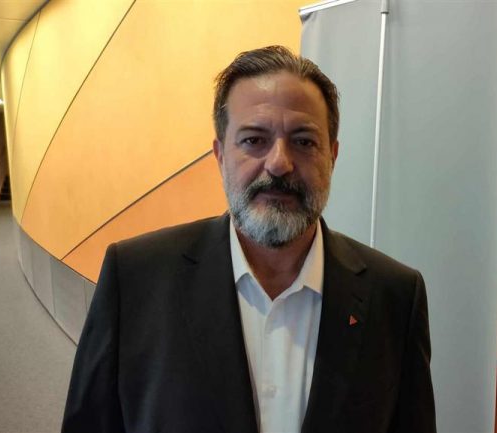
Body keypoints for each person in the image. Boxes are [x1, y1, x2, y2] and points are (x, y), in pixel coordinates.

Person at [62, 46, 435, 433]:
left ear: (332, 156)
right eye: (254, 140)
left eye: (304, 141)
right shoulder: (135, 280)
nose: (279, 163)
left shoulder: (394, 298)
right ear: (220, 155)